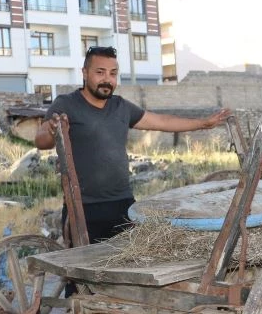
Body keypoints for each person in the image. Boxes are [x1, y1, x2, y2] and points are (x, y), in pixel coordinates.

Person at [35, 45, 231, 243]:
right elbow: (41, 140)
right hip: (82, 208)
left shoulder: (121, 107)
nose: (107, 79)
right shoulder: (67, 104)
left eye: (113, 73)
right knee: (82, 271)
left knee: (128, 264)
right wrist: (52, 129)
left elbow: (162, 122)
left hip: (123, 204)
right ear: (85, 73)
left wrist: (203, 124)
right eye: (100, 72)